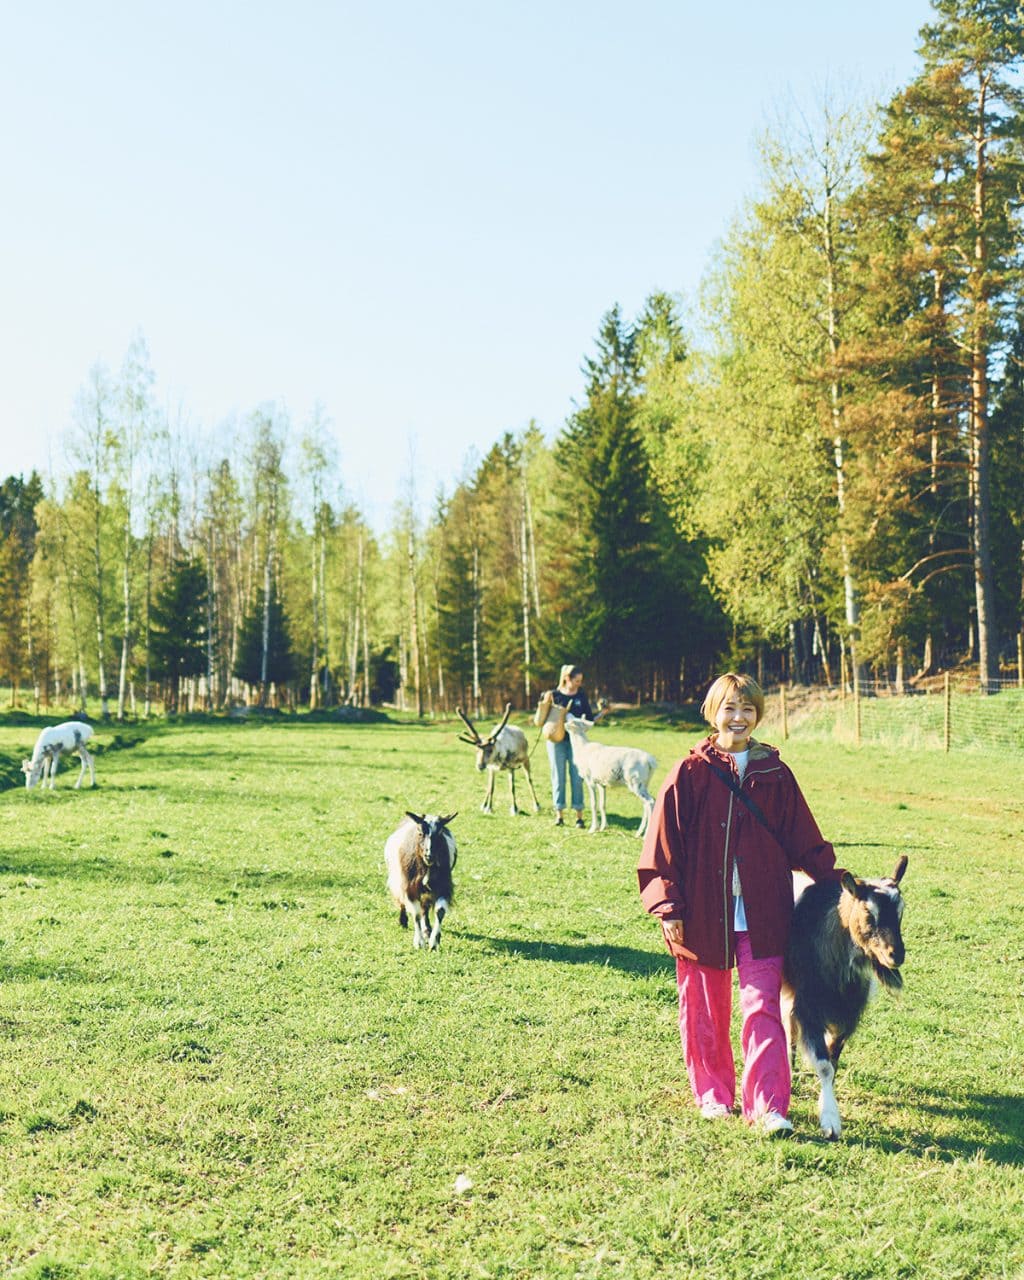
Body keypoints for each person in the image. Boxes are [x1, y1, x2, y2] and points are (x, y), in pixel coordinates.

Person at [636, 672, 844, 1136]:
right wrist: (668, 908)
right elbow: (661, 850)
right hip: (700, 911)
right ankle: (713, 1095)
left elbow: (806, 842)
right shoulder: (688, 773)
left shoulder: (776, 775)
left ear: (758, 716)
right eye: (729, 708)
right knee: (705, 1008)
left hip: (765, 911)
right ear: (712, 713)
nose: (739, 717)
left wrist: (843, 882)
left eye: (747, 709)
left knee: (763, 1006)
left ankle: (769, 1107)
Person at [534, 664, 601, 828]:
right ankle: (559, 815)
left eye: (580, 681)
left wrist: (602, 713)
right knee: (558, 776)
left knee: (577, 777)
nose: (579, 683)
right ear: (567, 679)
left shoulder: (581, 696)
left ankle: (579, 815)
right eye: (577, 680)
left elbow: (589, 720)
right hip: (555, 743)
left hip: (576, 743)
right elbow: (541, 719)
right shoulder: (554, 695)